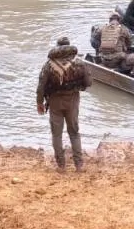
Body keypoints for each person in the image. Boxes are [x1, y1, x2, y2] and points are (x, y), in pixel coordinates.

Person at [36, 37, 92, 172]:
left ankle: (61, 166)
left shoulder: (48, 65)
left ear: (57, 47)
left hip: (54, 101)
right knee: (74, 132)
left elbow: (41, 87)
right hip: (72, 100)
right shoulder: (79, 62)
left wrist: (39, 103)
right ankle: (79, 165)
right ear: (69, 46)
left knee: (56, 134)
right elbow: (88, 83)